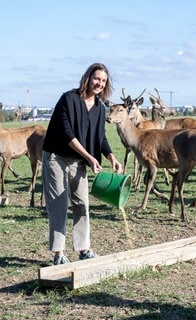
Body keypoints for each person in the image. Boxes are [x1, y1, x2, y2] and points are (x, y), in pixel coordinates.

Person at [42, 62, 122, 265]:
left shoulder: (100, 108)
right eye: (97, 79)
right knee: (59, 205)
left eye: (103, 81)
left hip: (79, 160)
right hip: (56, 157)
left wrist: (110, 155)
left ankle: (84, 249)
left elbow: (100, 136)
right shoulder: (68, 99)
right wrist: (89, 156)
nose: (99, 84)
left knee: (82, 204)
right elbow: (66, 133)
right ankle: (58, 255)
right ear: (88, 77)